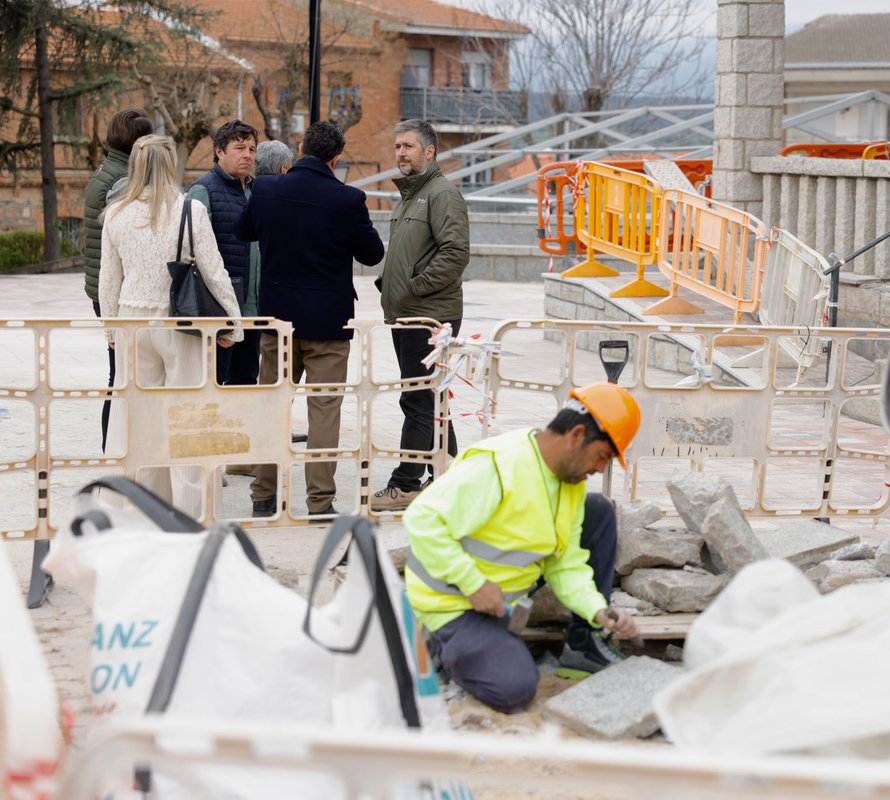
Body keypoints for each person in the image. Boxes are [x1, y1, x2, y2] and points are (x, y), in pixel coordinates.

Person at [403, 383, 642, 713]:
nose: (601, 468)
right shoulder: (500, 465)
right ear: (576, 435)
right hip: (450, 600)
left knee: (599, 509)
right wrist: (472, 583)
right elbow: (421, 518)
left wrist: (597, 610)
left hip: (498, 602)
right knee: (515, 689)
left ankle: (585, 643)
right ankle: (438, 646)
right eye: (602, 456)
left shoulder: (567, 485)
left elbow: (566, 565)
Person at [236, 120, 384, 520]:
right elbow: (372, 255)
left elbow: (243, 229)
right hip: (328, 323)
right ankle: (320, 502)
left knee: (271, 404)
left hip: (277, 320)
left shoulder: (266, 189)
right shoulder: (349, 199)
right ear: (336, 158)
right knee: (324, 411)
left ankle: (262, 496)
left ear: (300, 148)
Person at [99, 135, 243, 518]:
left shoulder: (115, 213)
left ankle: (128, 505)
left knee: (134, 417)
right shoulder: (188, 210)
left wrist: (110, 328)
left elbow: (108, 280)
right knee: (188, 419)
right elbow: (213, 271)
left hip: (132, 322)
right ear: (170, 165)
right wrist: (233, 324)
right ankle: (189, 512)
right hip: (180, 324)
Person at [371, 119, 470, 512]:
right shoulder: (412, 196)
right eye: (397, 147)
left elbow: (455, 254)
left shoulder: (442, 194)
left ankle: (407, 483)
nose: (400, 153)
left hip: (428, 316)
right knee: (432, 400)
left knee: (418, 400)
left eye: (408, 147)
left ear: (430, 152)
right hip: (409, 314)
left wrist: (412, 285)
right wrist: (390, 284)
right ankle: (455, 478)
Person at [83, 108, 154, 451]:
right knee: (123, 374)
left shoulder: (108, 170)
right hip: (118, 289)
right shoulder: (122, 180)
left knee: (120, 372)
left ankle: (114, 447)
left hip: (104, 286)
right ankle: (114, 448)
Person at [186, 120, 260, 387]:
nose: (247, 155)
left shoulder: (257, 191)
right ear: (219, 151)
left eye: (252, 149)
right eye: (239, 148)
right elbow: (192, 253)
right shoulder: (202, 190)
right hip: (219, 311)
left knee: (246, 382)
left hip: (253, 309)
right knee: (216, 383)